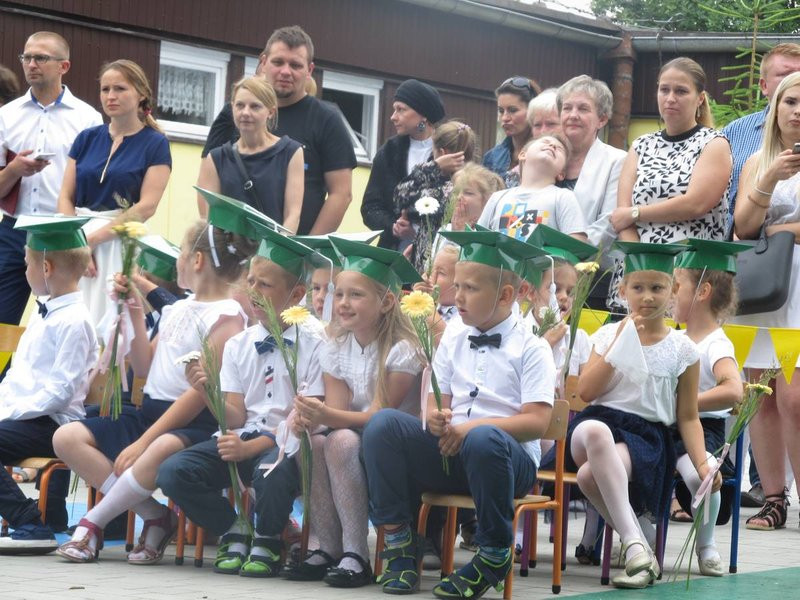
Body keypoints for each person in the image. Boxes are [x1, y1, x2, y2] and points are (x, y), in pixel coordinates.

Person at [52, 202, 259, 564]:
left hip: (193, 423)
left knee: (159, 448)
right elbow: (145, 364)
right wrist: (132, 310)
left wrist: (143, 443)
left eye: (179, 252)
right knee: (66, 437)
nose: (176, 260)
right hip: (150, 413)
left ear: (196, 261)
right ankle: (155, 515)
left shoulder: (227, 318)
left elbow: (197, 394)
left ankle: (91, 526)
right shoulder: (178, 308)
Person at [363, 229, 554, 598]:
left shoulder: (532, 348)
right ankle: (401, 544)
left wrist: (472, 428)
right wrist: (435, 417)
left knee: (484, 438)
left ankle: (494, 552)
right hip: (451, 453)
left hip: (504, 463)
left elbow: (536, 423)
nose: (458, 295)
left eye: (470, 288)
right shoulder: (453, 334)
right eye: (458, 284)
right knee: (382, 424)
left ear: (505, 295)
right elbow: (438, 398)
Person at [158, 228, 326, 577]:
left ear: (296, 294)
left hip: (289, 448)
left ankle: (268, 539)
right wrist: (206, 390)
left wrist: (252, 449)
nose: (252, 291)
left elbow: (305, 419)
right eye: (250, 281)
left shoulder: (314, 343)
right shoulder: (240, 344)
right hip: (246, 438)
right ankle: (234, 528)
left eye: (264, 285)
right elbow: (234, 415)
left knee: (273, 471)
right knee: (174, 471)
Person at [572, 241, 719, 589]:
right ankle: (639, 543)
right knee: (594, 431)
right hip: (598, 423)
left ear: (674, 291)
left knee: (589, 476)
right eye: (638, 288)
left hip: (647, 437)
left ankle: (638, 547)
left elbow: (687, 416)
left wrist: (701, 464)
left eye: (657, 288)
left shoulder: (684, 349)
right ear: (623, 291)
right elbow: (586, 393)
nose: (647, 297)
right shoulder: (607, 334)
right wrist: (620, 342)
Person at [287, 238, 424, 588]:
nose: (342, 304)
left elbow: (379, 417)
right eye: (340, 294)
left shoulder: (402, 349)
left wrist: (325, 416)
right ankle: (328, 545)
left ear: (387, 301)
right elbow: (338, 412)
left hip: (394, 446)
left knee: (340, 442)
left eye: (355, 295)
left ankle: (356, 553)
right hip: (352, 436)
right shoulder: (335, 345)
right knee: (314, 443)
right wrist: (311, 415)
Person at [0, 216, 97, 554]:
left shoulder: (74, 321)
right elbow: (18, 377)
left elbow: (61, 391)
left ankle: (29, 523)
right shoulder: (44, 313)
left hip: (52, 423)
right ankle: (39, 518)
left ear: (46, 267)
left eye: (26, 263)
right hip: (25, 416)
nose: (23, 270)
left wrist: (9, 412)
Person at [203, 25, 355, 235]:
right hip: (232, 251)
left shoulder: (326, 119)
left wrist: (306, 250)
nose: (286, 71)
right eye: (278, 62)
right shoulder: (234, 113)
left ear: (309, 71)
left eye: (295, 65)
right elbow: (207, 188)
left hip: (294, 253)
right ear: (263, 62)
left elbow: (341, 194)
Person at [608, 57, 732, 311]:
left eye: (681, 91)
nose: (671, 98)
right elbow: (622, 216)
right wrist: (642, 262)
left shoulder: (713, 143)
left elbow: (695, 203)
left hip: (688, 272)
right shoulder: (641, 145)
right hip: (637, 271)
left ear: (700, 98)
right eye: (664, 89)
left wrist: (637, 212)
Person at [732, 71, 800, 532]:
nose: (798, 111)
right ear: (775, 107)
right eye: (790, 101)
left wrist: (778, 231)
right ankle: (773, 499)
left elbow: (765, 229)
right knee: (761, 396)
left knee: (795, 397)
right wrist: (770, 178)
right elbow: (742, 226)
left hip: (799, 282)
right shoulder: (759, 160)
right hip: (762, 285)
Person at [56, 59, 171, 330]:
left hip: (118, 244)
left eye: (120, 88)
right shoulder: (86, 138)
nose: (111, 96)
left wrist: (91, 242)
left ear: (141, 93)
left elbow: (146, 207)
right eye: (105, 89)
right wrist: (76, 243)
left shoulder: (155, 143)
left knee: (108, 326)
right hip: (75, 239)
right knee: (67, 320)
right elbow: (65, 196)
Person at [0, 31, 101, 328]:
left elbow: (92, 189)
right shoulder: (6, 116)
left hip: (62, 233)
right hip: (13, 230)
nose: (31, 64)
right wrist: (15, 169)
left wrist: (87, 241)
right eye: (27, 57)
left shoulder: (87, 119)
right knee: (2, 324)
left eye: (41, 58)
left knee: (57, 323)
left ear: (63, 66)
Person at [669, 239, 745, 576]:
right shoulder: (673, 337)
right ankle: (634, 538)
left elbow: (734, 390)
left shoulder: (716, 342)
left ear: (702, 291)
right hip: (665, 427)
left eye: (677, 286)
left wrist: (688, 403)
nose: (671, 294)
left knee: (702, 473)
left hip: (701, 429)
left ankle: (706, 543)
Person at [196, 76, 303, 233]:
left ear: (271, 112)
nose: (245, 112)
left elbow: (293, 215)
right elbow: (211, 219)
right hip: (229, 254)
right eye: (240, 105)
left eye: (255, 107)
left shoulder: (290, 153)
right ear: (232, 108)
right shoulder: (217, 158)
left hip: (272, 252)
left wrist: (271, 254)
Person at [361, 78, 447, 249]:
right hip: (394, 251)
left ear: (423, 114)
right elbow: (370, 207)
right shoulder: (389, 152)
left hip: (438, 251)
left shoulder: (449, 150)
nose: (393, 117)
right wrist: (393, 226)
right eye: (394, 109)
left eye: (401, 110)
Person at [723, 43, 800, 225]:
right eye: (787, 75)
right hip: (748, 249)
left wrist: (772, 234)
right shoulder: (733, 133)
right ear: (764, 86)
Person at [393, 119, 476, 272]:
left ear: (442, 153)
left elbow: (400, 197)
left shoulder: (450, 187)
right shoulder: (476, 184)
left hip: (437, 266)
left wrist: (434, 167)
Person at [556, 75, 626, 253]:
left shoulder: (616, 160)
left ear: (601, 120)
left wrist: (567, 251)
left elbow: (610, 222)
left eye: (583, 109)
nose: (573, 115)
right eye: (567, 108)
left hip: (591, 267)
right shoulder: (548, 157)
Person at [477, 134, 587, 241]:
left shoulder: (564, 197)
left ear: (561, 174)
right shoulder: (497, 198)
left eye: (559, 149)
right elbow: (477, 240)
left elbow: (577, 242)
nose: (552, 146)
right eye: (545, 142)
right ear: (522, 155)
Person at [483, 76, 541, 187]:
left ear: (532, 110)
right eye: (501, 111)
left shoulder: (547, 154)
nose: (504, 117)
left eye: (512, 110)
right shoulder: (491, 157)